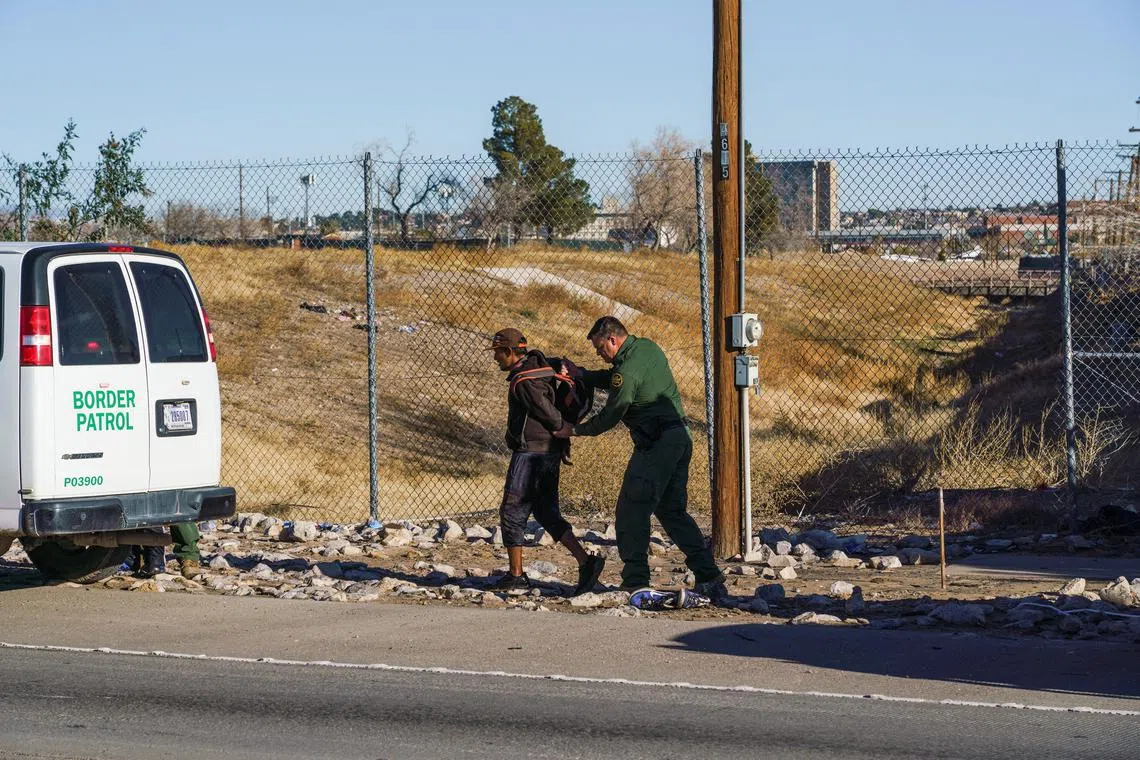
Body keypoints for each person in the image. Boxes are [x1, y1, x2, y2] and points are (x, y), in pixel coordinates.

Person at [554, 316, 728, 603]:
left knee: (631, 511)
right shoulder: (645, 348)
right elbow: (614, 379)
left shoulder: (627, 370)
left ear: (612, 339)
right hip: (679, 439)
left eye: (601, 348)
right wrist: (583, 374)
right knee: (672, 512)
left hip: (656, 446)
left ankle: (635, 580)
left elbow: (613, 411)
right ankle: (708, 575)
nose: (600, 353)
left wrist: (575, 430)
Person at [487, 328, 606, 596]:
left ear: (508, 351)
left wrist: (560, 427)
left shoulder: (524, 380)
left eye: (497, 352)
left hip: (531, 454)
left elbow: (546, 411)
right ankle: (586, 561)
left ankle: (516, 576)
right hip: (549, 452)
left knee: (512, 511)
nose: (495, 358)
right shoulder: (539, 366)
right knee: (546, 512)